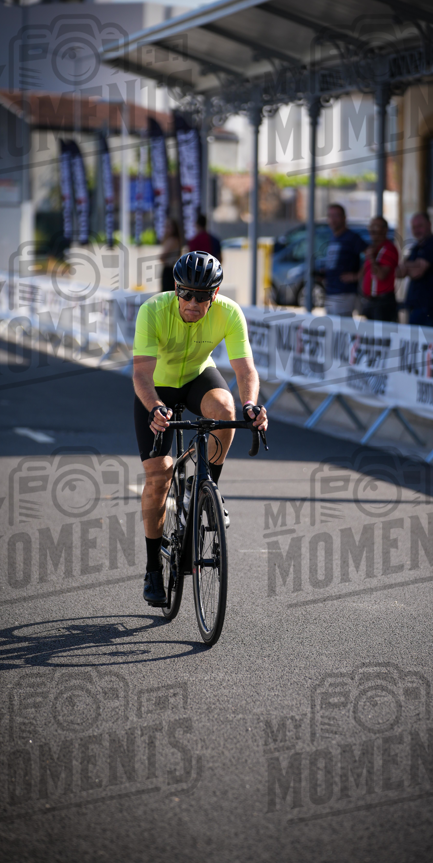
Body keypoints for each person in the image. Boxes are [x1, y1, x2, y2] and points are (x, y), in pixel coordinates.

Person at [132, 250, 268, 606]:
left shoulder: (229, 313)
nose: (193, 302)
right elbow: (141, 374)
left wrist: (251, 404)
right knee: (159, 476)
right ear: (176, 289)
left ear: (215, 294)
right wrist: (155, 408)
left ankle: (206, 484)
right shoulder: (153, 311)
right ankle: (152, 570)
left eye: (202, 296)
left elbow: (244, 370)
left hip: (195, 378)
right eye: (186, 293)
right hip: (156, 389)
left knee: (226, 408)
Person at [397, 212, 433, 327]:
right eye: (414, 227)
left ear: (429, 225)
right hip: (414, 305)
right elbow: (399, 272)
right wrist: (411, 265)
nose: (417, 230)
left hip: (428, 306)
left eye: (420, 226)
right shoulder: (416, 247)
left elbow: (417, 272)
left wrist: (408, 266)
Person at [321, 203, 367, 317]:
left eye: (336, 216)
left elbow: (370, 255)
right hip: (330, 291)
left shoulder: (352, 237)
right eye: (330, 216)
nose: (333, 219)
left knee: (341, 330)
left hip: (344, 293)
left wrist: (357, 276)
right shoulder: (333, 237)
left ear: (344, 218)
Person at [360, 215, 399, 322]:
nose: (372, 230)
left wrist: (372, 258)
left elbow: (381, 275)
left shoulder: (389, 249)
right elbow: (363, 273)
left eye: (376, 226)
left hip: (382, 302)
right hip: (370, 301)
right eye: (371, 226)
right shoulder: (372, 248)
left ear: (384, 229)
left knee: (381, 335)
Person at [159, 217, 182, 293]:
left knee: (166, 295)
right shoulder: (176, 240)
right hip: (173, 270)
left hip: (169, 270)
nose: (166, 229)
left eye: (169, 226)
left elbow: (162, 257)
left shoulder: (172, 240)